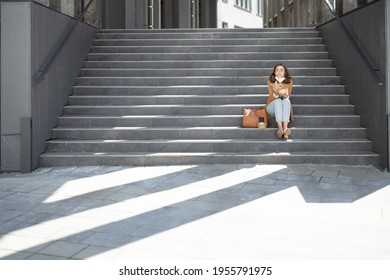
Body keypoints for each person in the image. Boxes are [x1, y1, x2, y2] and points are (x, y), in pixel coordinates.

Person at [265, 64, 294, 140]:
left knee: (286, 101)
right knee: (278, 100)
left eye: (281, 70)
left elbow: (288, 96)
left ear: (285, 72)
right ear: (274, 72)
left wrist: (285, 95)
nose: (279, 72)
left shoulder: (289, 82)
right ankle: (279, 128)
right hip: (272, 107)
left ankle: (285, 129)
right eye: (277, 70)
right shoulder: (271, 81)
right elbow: (271, 96)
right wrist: (275, 93)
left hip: (284, 105)